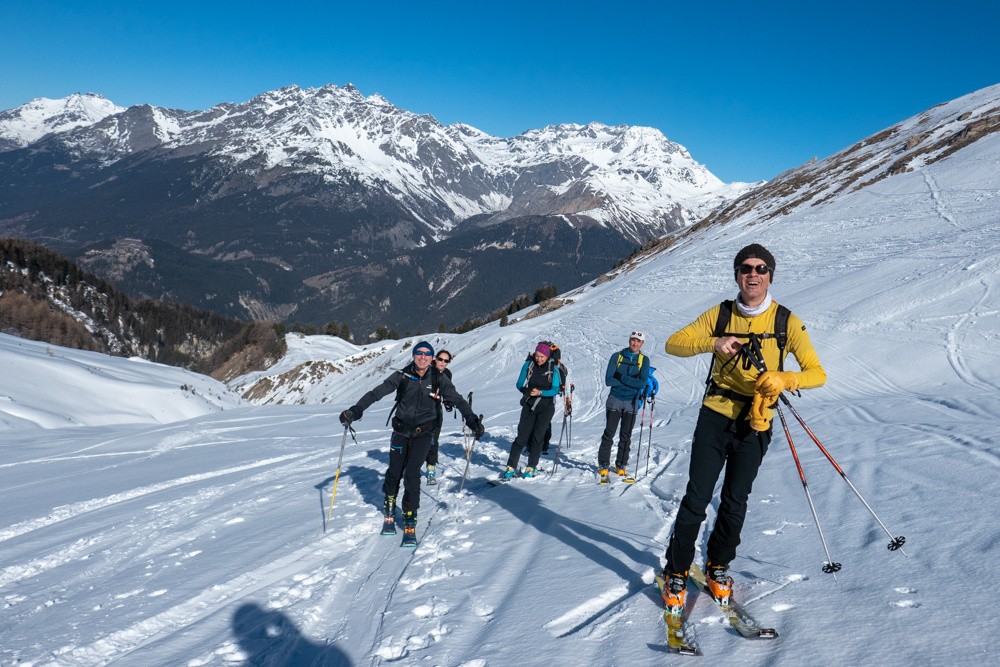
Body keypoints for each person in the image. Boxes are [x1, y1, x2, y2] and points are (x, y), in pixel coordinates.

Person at [659, 243, 826, 614]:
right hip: (715, 415)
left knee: (736, 499)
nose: (754, 274)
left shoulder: (786, 321)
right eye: (746, 268)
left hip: (757, 419)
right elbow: (674, 344)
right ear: (736, 274)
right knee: (697, 497)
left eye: (761, 268)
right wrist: (713, 342)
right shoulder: (720, 314)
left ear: (771, 275)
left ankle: (718, 566)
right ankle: (677, 569)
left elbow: (817, 373)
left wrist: (784, 378)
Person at [340, 341, 483, 544]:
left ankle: (410, 518)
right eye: (419, 353)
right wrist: (355, 411)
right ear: (414, 355)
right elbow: (376, 393)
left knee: (412, 473)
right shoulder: (402, 375)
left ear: (431, 358)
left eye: (427, 354)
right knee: (394, 472)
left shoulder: (439, 379)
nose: (422, 357)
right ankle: (389, 507)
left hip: (424, 433)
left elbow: (458, 400)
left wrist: (472, 420)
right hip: (400, 431)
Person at [502, 342, 561, 480]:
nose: (539, 358)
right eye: (537, 355)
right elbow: (519, 383)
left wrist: (540, 392)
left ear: (547, 356)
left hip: (546, 407)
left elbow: (555, 389)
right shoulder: (529, 365)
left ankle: (531, 467)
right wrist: (527, 391)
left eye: (542, 356)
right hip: (529, 404)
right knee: (521, 437)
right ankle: (511, 466)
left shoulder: (554, 369)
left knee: (538, 437)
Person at [597, 331, 650, 483]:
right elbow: (608, 380)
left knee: (626, 435)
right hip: (615, 399)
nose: (635, 343)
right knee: (609, 433)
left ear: (642, 344)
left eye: (638, 341)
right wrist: (630, 381)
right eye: (633, 340)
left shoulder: (644, 360)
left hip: (631, 401)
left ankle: (621, 464)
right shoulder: (617, 356)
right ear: (629, 341)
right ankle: (603, 464)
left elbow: (642, 383)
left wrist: (621, 377)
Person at [424, 349, 454, 483]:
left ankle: (431, 468)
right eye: (440, 359)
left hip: (436, 410)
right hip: (422, 410)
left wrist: (448, 402)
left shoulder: (447, 374)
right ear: (435, 359)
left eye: (446, 360)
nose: (442, 362)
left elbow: (447, 391)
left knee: (433, 439)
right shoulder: (426, 371)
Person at [540, 342, 569, 455]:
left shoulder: (551, 365)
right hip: (550, 397)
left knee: (540, 420)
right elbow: (563, 373)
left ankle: (536, 443)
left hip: (544, 395)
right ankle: (545, 444)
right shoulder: (558, 365)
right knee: (546, 421)